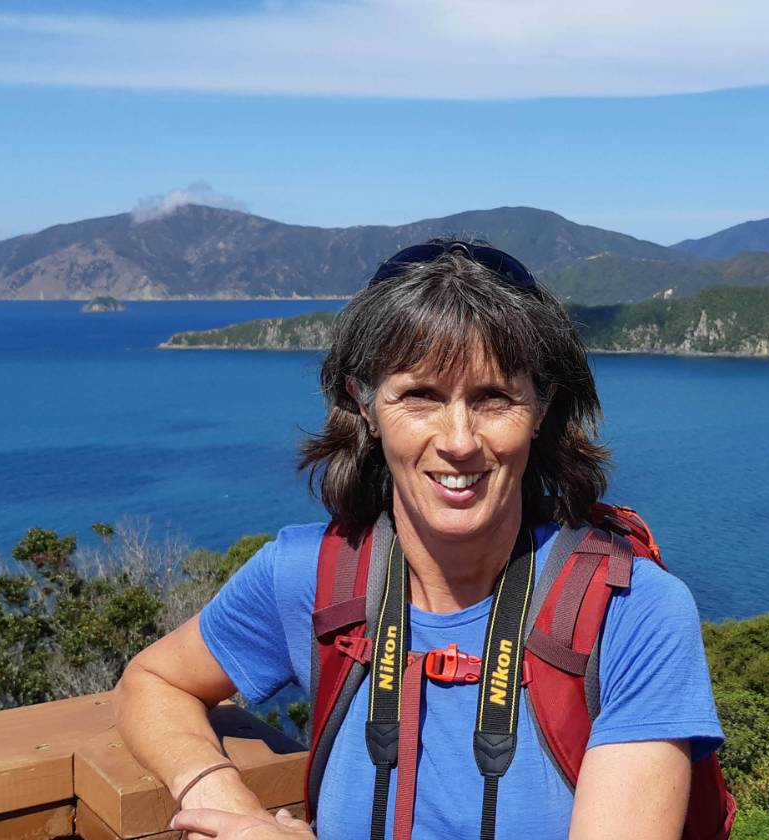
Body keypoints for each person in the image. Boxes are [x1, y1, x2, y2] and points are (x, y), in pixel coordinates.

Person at [114, 239, 725, 840]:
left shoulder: (629, 612)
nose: (458, 439)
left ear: (541, 409)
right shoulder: (311, 576)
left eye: (494, 398)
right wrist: (220, 796)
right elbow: (154, 682)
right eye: (419, 396)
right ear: (365, 404)